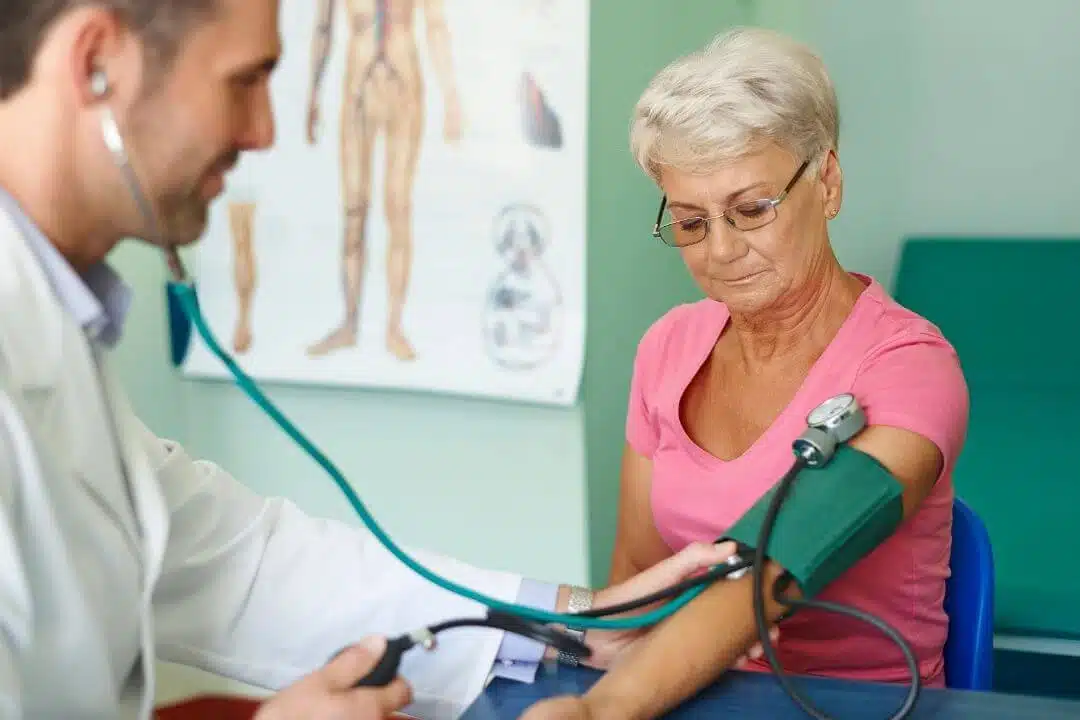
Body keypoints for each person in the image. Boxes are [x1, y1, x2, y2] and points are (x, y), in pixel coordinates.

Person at [0, 1, 750, 718]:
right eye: (244, 80)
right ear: (97, 63)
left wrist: (575, 617)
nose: (263, 131)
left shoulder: (54, 319)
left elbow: (236, 562)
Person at [522, 27, 970, 719]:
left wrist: (599, 713)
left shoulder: (910, 367)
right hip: (688, 697)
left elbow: (770, 567)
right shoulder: (670, 346)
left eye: (751, 210)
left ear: (827, 182)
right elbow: (635, 585)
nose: (722, 251)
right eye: (693, 223)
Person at [304, 0, 462, 362]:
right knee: (354, 208)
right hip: (359, 87)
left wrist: (451, 95)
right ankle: (349, 322)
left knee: (398, 209)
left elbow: (435, 24)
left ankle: (393, 326)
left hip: (404, 85)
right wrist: (313, 93)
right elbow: (323, 28)